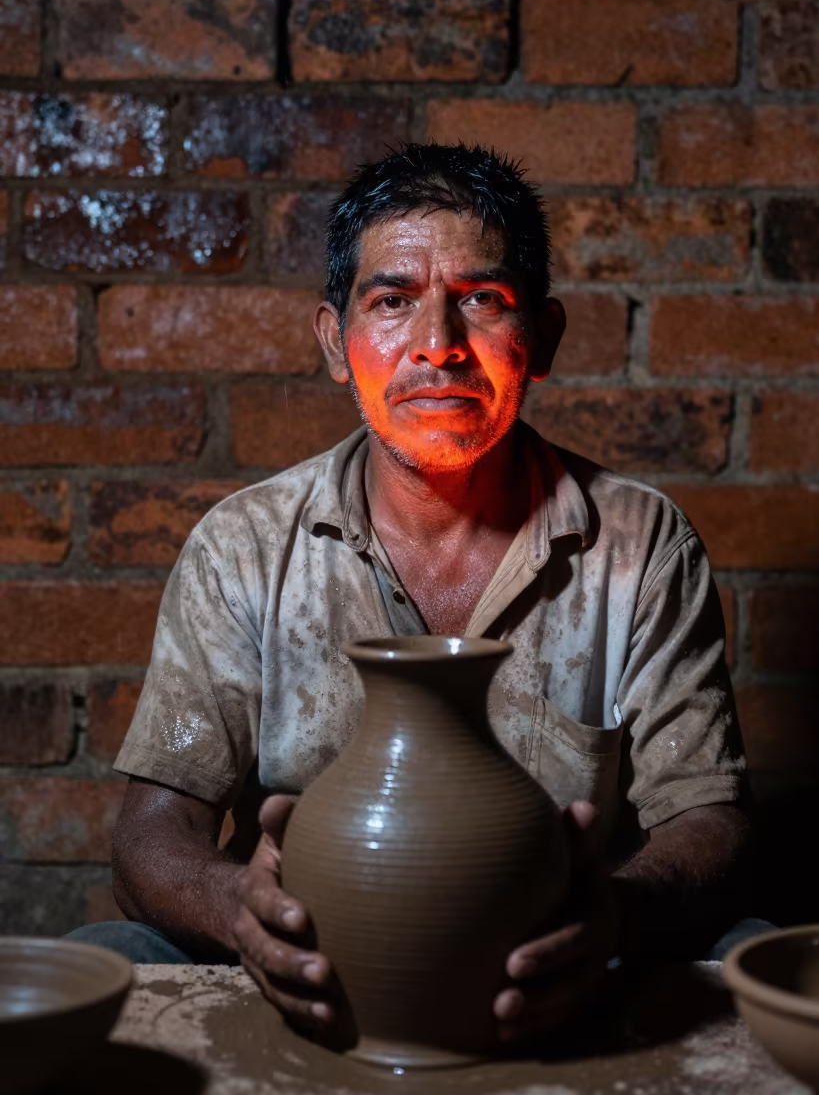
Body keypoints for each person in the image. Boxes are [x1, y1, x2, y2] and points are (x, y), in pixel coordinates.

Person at [68, 142, 760, 1044]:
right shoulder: (246, 547)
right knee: (100, 958)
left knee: (756, 959)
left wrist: (615, 913)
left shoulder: (639, 544)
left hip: (557, 966)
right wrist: (239, 906)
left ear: (543, 338)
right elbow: (151, 833)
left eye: (483, 298)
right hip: (319, 962)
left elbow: (710, 818)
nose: (438, 344)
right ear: (335, 342)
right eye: (392, 301)